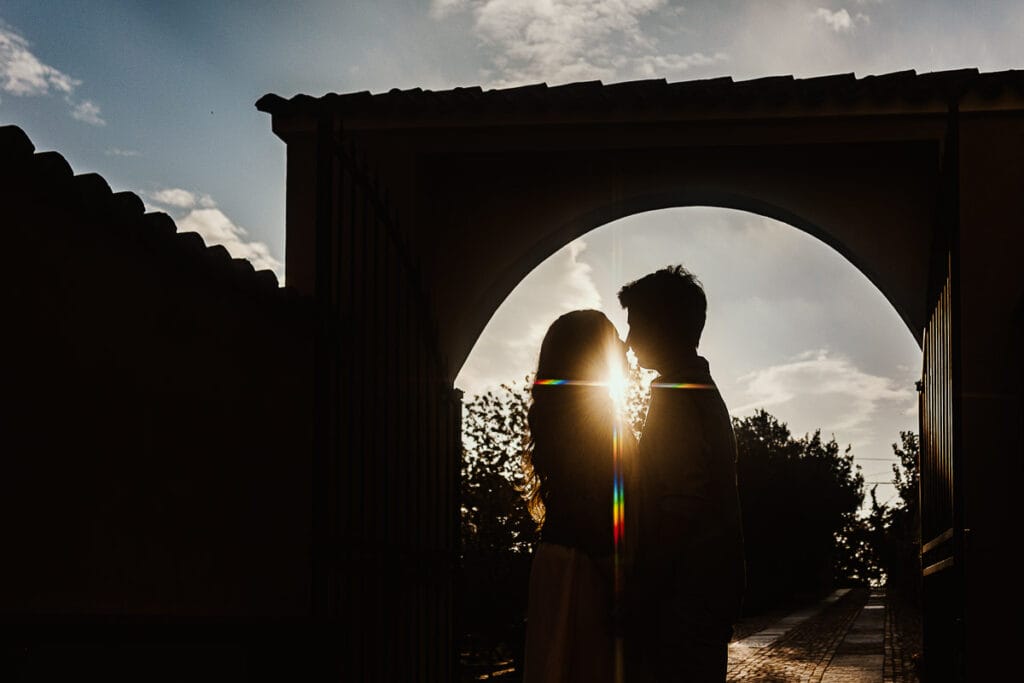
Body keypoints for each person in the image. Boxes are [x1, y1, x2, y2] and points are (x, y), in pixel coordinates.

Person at [618, 266, 745, 682]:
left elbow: (679, 508)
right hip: (701, 595)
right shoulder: (700, 392)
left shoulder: (678, 399)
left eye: (636, 325)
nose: (630, 339)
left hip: (682, 601)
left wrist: (638, 591)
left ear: (663, 325)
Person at [521, 309, 637, 683]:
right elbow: (592, 508)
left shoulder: (568, 417)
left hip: (558, 566)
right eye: (614, 339)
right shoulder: (597, 421)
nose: (625, 346)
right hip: (585, 572)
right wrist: (620, 585)